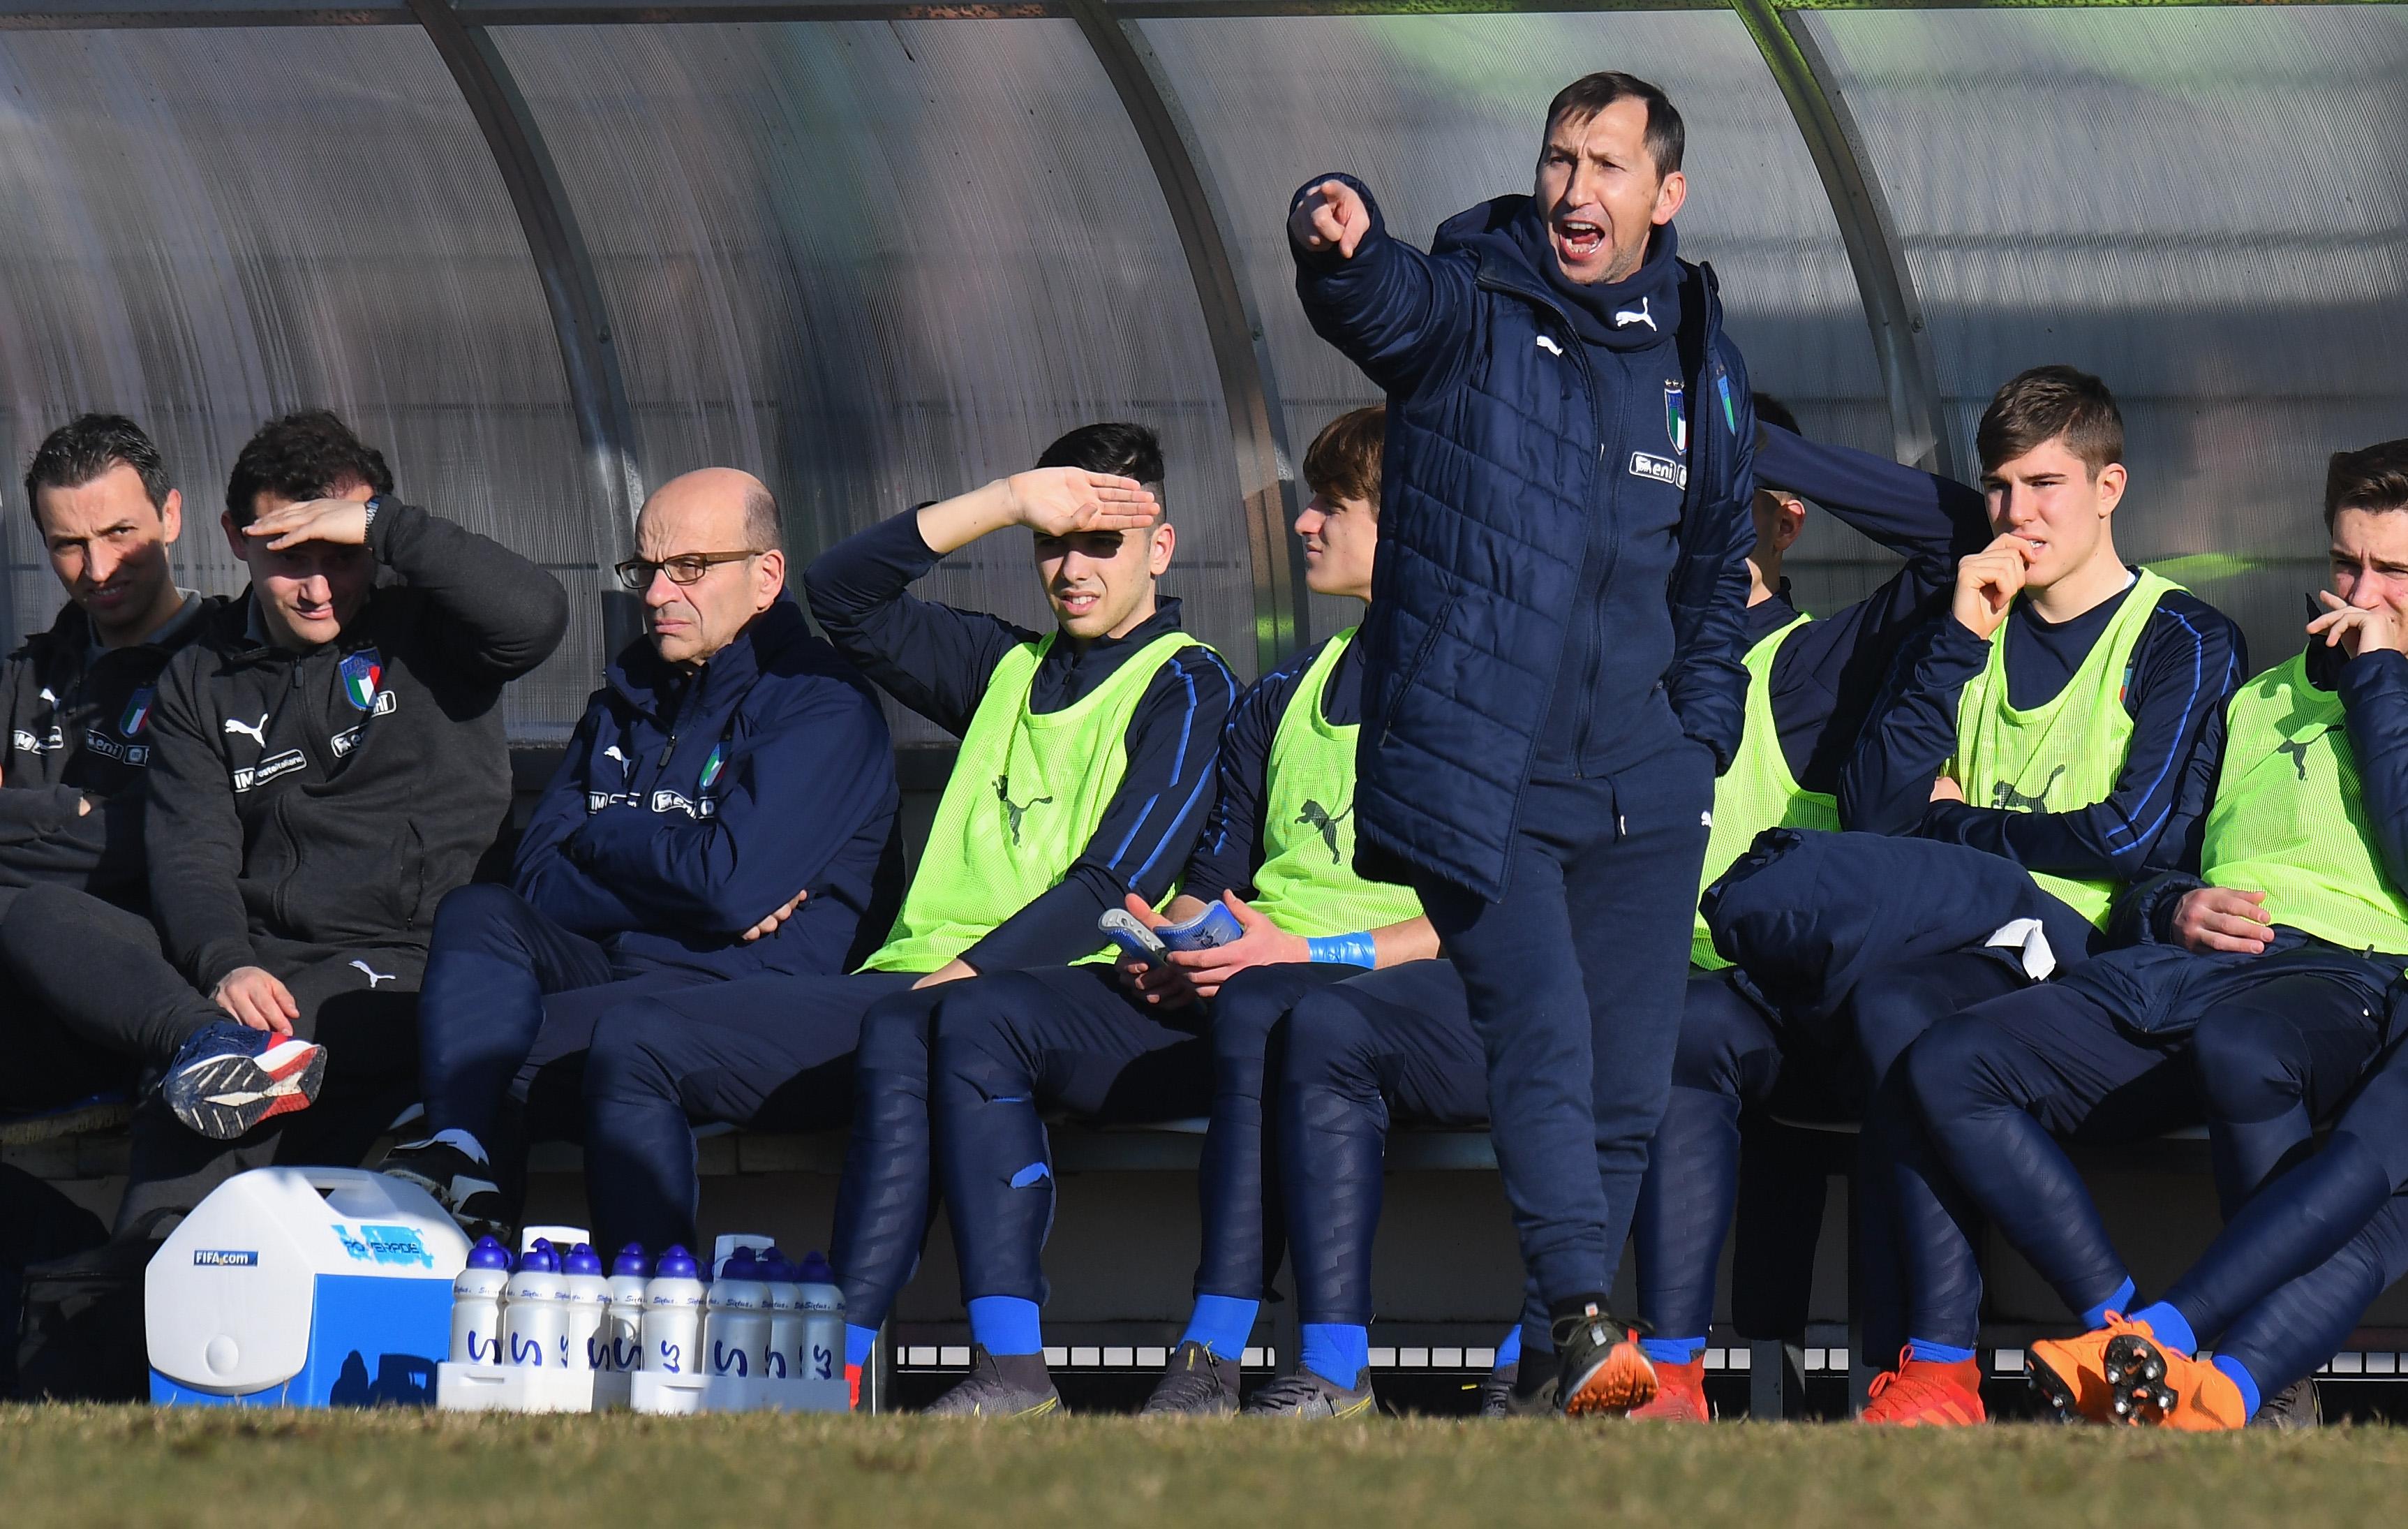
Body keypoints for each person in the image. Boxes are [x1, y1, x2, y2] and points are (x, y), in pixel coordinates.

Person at [1289, 69, 1758, 1416]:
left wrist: (1700, 737)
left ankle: (1551, 1375)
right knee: (1540, 1036)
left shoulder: (1700, 355)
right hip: (1484, 768)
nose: (1575, 190)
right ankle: (1579, 1312)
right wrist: (1341, 241)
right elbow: (1384, 303)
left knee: (1625, 1086)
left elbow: (1718, 555)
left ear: (1665, 196)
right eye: (1561, 160)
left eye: (1608, 167)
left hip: (1646, 782)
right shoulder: (1476, 300)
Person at [574, 425, 1235, 1347]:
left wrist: (964, 977)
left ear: (1158, 548)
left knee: (912, 1033)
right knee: (634, 1040)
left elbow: (1114, 885)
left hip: (1043, 999)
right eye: (1053, 540)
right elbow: (841, 592)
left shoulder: (1191, 684)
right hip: (906, 984)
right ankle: (646, 1340)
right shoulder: (1001, 666)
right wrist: (1007, 496)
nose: (1071, 567)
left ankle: (836, 1360)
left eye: (1101, 542)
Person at [876, 407, 1436, 1417]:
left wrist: (1303, 947)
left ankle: (1227, 1357)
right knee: (975, 1015)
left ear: (1410, 527)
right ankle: (1008, 1364)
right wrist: (1174, 935)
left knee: (1282, 1004)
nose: (1301, 525)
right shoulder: (1282, 693)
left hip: (1365, 990)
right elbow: (1219, 865)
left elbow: (1488, 914)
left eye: (1330, 507)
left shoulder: (1473, 696)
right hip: (1246, 981)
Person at [1901, 438, 2408, 1431]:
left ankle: (2255, 1382)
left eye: (2392, 572)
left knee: (2247, 1048)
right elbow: (2155, 858)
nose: (2360, 592)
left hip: (2344, 974)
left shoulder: (2381, 681)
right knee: (1947, 1061)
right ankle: (2126, 1328)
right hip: (2190, 966)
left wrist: (2380, 680)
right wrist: (2169, 907)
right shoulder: (2262, 695)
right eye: (2345, 563)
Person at [0, 409, 568, 1224]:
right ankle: (202, 1055)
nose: (316, 585)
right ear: (237, 537)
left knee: (230, 1097)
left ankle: (219, 1106)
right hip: (259, 977)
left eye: (340, 555)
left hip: (409, 964)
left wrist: (385, 523)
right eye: (286, 557)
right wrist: (226, 962)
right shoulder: (201, 675)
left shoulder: (432, 627)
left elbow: (539, 615)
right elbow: (191, 854)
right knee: (44, 916)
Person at [1815, 365, 2245, 1424]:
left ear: (2110, 487)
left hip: (2098, 963)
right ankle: (1956, 1367)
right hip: (1962, 940)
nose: (2016, 514)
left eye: (2045, 482)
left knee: (1896, 1014)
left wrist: (1953, 818)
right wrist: (1958, 637)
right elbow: (1871, 809)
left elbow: (2130, 837)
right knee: (1885, 1007)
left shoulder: (2183, 636)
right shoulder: (1967, 621)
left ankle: (1985, 1350)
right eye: (2000, 487)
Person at [372, 468, 898, 1239]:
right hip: (618, 969)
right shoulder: (626, 702)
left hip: (749, 995)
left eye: (688, 568)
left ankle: (610, 1297)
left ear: (767, 576)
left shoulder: (822, 705)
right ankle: (461, 1165)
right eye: (645, 570)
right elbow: (541, 877)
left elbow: (728, 887)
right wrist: (682, 865)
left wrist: (607, 838)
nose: (655, 594)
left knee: (486, 1063)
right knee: (481, 913)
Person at [1607, 397, 1993, 1420]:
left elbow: (1959, 532)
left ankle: (1911, 1375)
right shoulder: (1611, 667)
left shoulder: (1819, 658)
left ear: (1787, 520)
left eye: (1728, 501)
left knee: (1715, 1027)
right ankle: (1671, 1373)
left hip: (1802, 994)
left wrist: (1759, 447)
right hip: (1669, 995)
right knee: (1675, 1028)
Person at [0, 415, 223, 1119]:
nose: (98, 571)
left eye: (119, 534)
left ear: (172, 515)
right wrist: (76, 812)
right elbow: (106, 829)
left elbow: (156, 840)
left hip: (132, 999)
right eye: (69, 545)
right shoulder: (29, 671)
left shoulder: (225, 668)